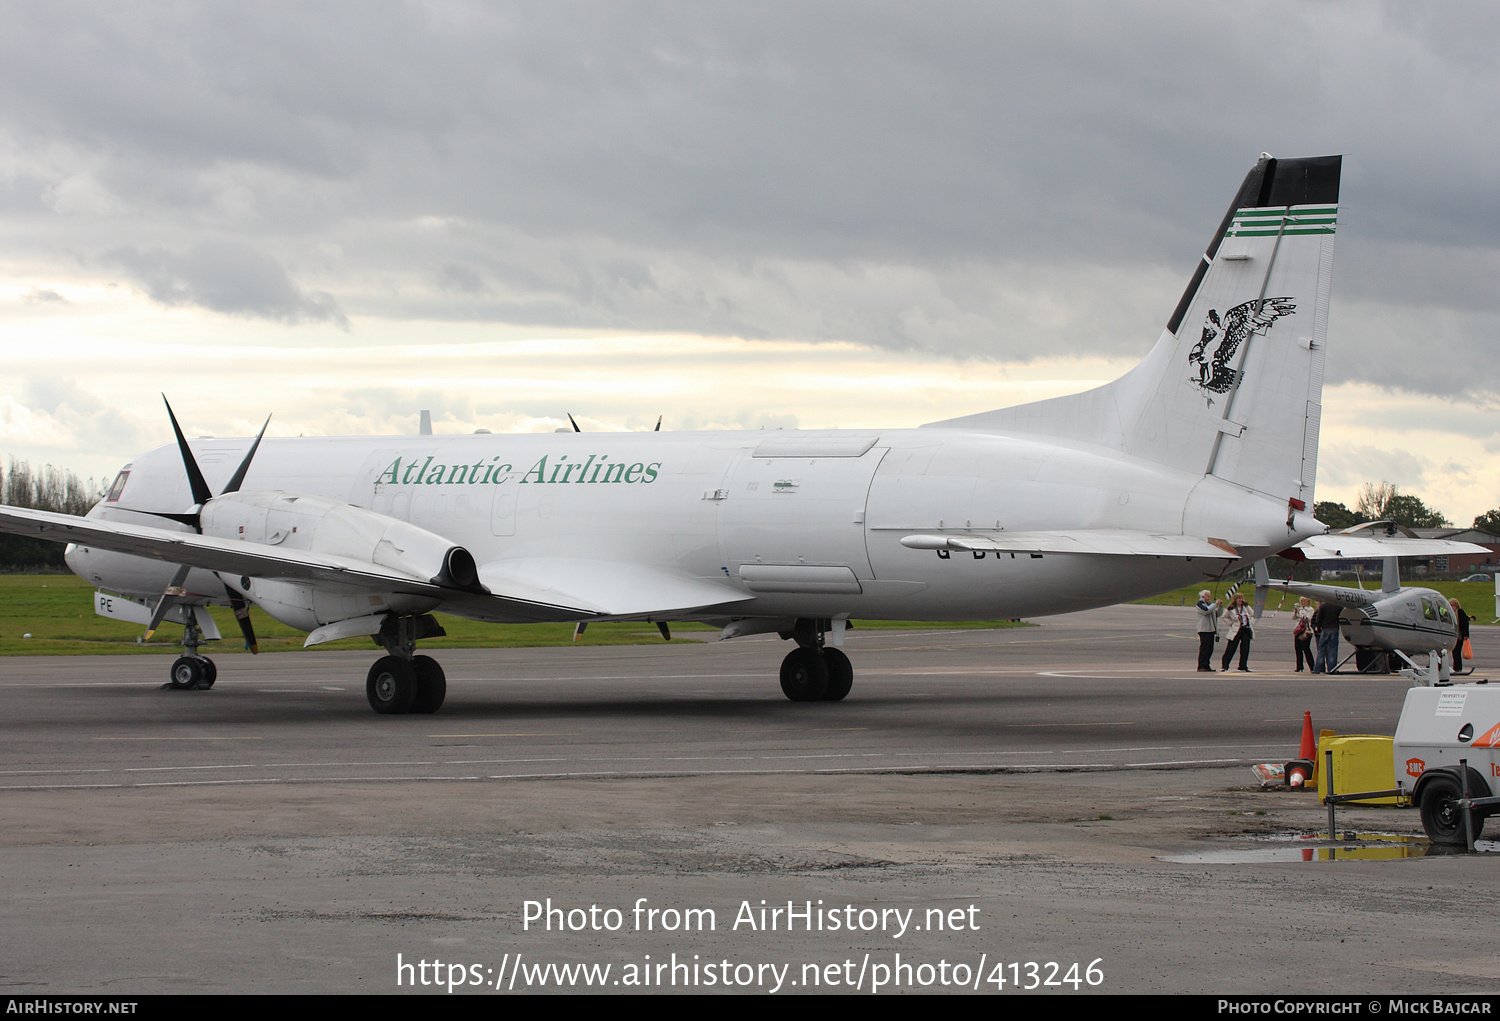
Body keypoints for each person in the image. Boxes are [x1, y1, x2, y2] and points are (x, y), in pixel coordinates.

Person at [1220, 594, 1253, 672]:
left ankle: (1243, 666)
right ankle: (1225, 665)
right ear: (1235, 600)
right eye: (1238, 598)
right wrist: (1230, 623)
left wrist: (1247, 606)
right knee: (1231, 648)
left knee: (1245, 649)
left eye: (1241, 598)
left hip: (1245, 629)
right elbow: (1224, 617)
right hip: (1236, 629)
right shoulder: (1231, 608)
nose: (1240, 600)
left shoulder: (1245, 607)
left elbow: (1252, 614)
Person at [1195, 590, 1223, 672]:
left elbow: (1217, 614)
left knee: (1210, 648)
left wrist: (1220, 607)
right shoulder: (1199, 604)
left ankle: (1207, 665)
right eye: (1208, 596)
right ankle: (1201, 665)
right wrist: (1215, 604)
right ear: (1203, 596)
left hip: (1211, 629)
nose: (1209, 598)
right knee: (1204, 648)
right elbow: (1206, 611)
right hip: (1204, 629)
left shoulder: (1210, 605)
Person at [1312, 598, 1342, 673]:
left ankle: (1318, 668)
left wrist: (1318, 626)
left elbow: (1318, 619)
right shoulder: (1338, 606)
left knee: (1321, 649)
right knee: (1333, 649)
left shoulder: (1323, 606)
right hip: (1334, 628)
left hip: (1325, 628)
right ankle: (1332, 668)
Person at [1292, 596, 1315, 672]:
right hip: (1298, 630)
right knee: (1298, 649)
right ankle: (1299, 666)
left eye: (1304, 601)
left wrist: (1300, 614)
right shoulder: (1300, 609)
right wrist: (1296, 612)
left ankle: (1312, 666)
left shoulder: (1310, 609)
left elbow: (1307, 618)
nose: (1303, 603)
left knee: (1306, 648)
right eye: (1302, 602)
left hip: (1306, 631)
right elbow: (1293, 618)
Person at [1451, 598, 1471, 672]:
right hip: (1455, 635)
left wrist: (1466, 635)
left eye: (1451, 605)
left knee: (1456, 651)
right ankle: (1456, 667)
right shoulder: (1452, 613)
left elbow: (1465, 623)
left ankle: (1457, 667)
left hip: (1459, 636)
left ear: (1455, 606)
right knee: (1455, 652)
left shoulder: (1460, 612)